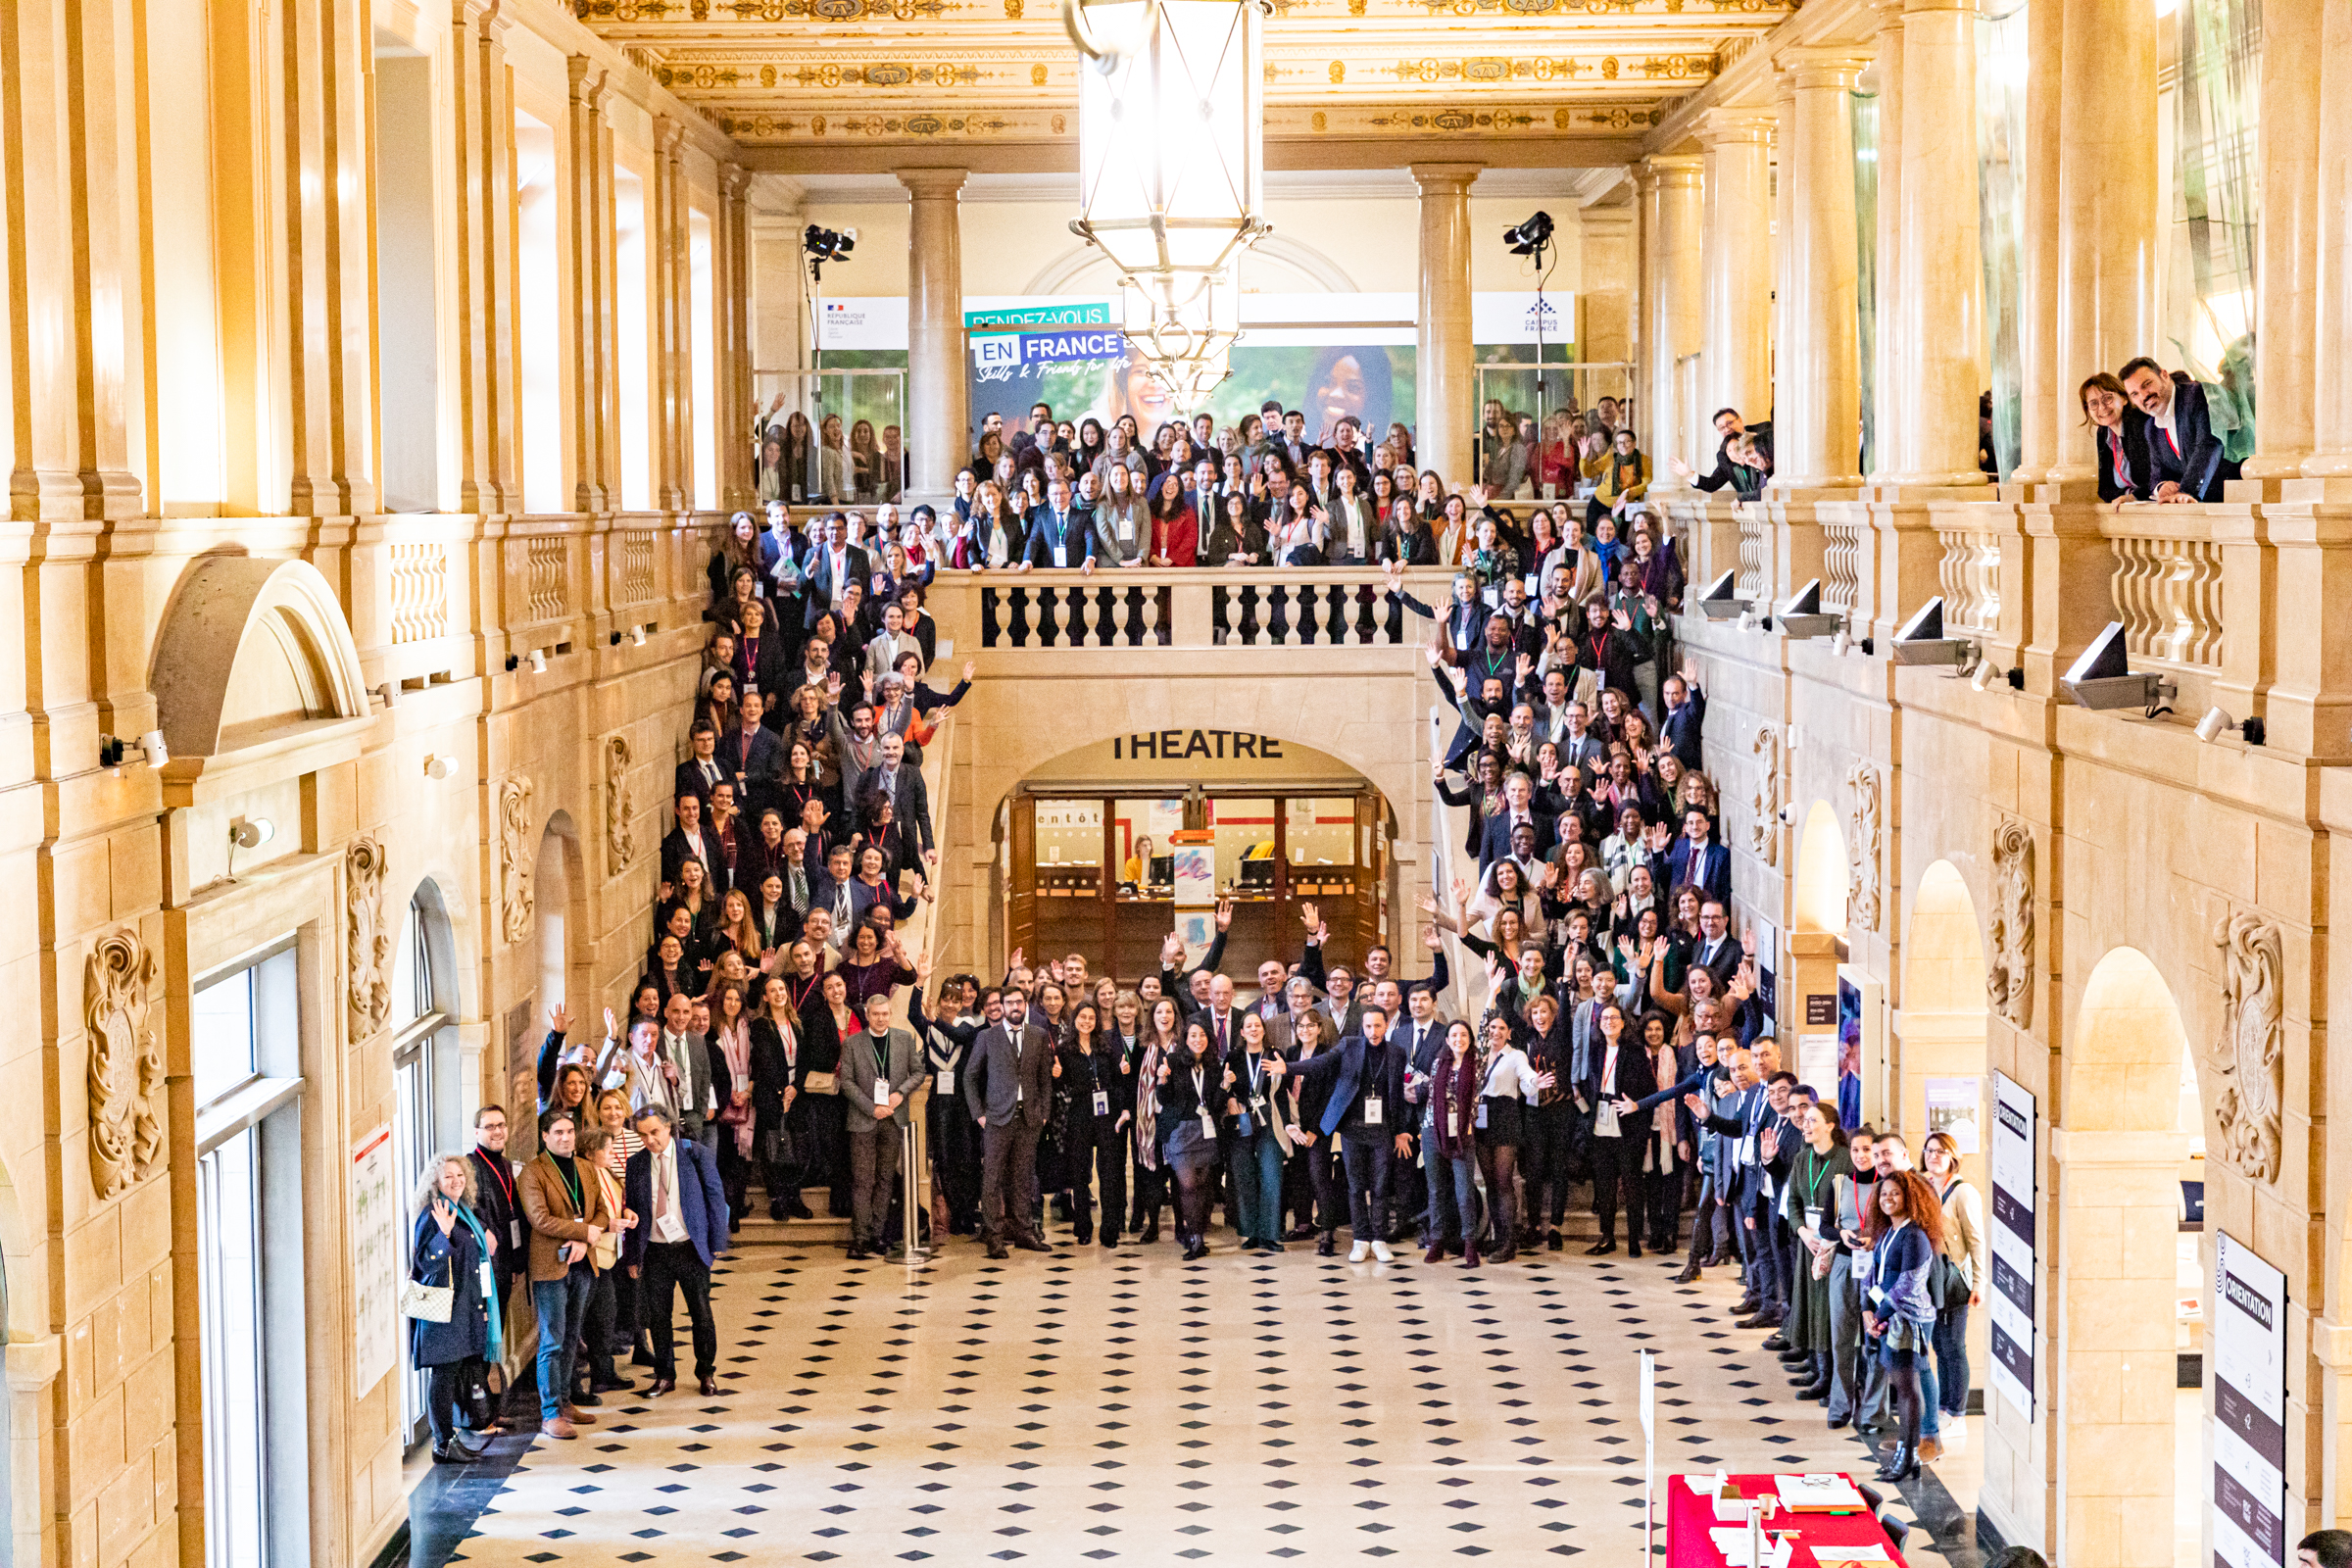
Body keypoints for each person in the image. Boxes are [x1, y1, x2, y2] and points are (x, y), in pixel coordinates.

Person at [517, 1107, 617, 1440]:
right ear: (545, 1137)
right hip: (551, 1265)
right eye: (558, 1133)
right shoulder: (533, 1173)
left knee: (573, 1336)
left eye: (570, 1132)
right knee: (552, 1339)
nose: (565, 1138)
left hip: (583, 1262)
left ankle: (565, 1401)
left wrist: (589, 1232)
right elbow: (540, 1219)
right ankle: (550, 1414)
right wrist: (582, 1234)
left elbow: (602, 1211)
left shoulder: (586, 1168)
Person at [623, 1104, 729, 1397]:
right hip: (655, 1250)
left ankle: (706, 1372)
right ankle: (664, 1374)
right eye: (643, 1135)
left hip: (690, 1247)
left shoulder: (695, 1155)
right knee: (659, 1315)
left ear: (669, 1127)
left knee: (701, 1313)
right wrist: (632, 1257)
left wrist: (717, 1242)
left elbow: (715, 1197)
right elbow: (632, 1213)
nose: (650, 1140)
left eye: (655, 1132)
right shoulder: (637, 1165)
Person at [409, 1153, 503, 1462]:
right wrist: (445, 1234)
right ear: (435, 1181)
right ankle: (442, 1444)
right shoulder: (432, 1214)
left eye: (459, 1175)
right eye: (448, 1176)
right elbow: (425, 1264)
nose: (456, 1180)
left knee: (453, 1373)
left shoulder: (462, 1210)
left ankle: (451, 1438)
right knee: (444, 1375)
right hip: (443, 1314)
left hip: (463, 1310)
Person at [1862, 1168, 1945, 1481]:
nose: (1888, 1199)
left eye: (1895, 1193)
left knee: (1908, 1390)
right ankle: (1905, 1453)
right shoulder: (1887, 1234)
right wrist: (1867, 1310)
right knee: (1903, 1387)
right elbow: (1875, 1275)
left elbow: (1908, 1285)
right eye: (1884, 1194)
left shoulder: (1915, 1236)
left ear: (1909, 1198)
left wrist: (1879, 1317)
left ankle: (1909, 1455)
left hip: (1909, 1321)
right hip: (1888, 1319)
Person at [965, 983, 1056, 1257]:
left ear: (1025, 1005)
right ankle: (993, 1235)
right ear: (1001, 1007)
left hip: (1029, 1118)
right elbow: (970, 1077)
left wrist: (1043, 1114)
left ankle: (1024, 1231)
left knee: (1023, 1178)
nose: (1015, 1007)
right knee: (992, 1179)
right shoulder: (987, 1038)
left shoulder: (1038, 1035)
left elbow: (1044, 1079)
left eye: (1019, 1002)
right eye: (1009, 1003)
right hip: (995, 1118)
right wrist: (979, 1114)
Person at [843, 987, 929, 1259]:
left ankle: (879, 1235)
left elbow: (918, 1072)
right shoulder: (852, 1043)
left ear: (891, 1015)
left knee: (885, 1179)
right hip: (863, 1119)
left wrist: (899, 1093)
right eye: (876, 1014)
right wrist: (872, 1107)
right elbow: (846, 1082)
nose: (881, 1018)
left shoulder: (904, 1039)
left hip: (894, 1117)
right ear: (867, 1015)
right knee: (862, 1180)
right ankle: (860, 1238)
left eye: (885, 1014)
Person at [1923, 1129, 1984, 1444]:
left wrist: (1979, 1283)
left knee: (1954, 1346)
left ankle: (1957, 1414)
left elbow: (1976, 1241)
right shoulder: (1921, 1185)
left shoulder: (1963, 1192)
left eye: (1940, 1152)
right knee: (1939, 1346)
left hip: (1956, 1278)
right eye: (1930, 1150)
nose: (1934, 1156)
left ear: (1952, 1157)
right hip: (1929, 1277)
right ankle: (1944, 1409)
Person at [2119, 356, 2240, 502]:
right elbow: (2157, 474)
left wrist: (2186, 492)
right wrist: (2162, 487)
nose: (2144, 396)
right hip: (2196, 510)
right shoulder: (2150, 428)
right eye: (2135, 394)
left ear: (2164, 375)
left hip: (2231, 501)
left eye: (2147, 384)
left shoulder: (2198, 395)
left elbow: (2209, 445)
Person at [1153, 1018, 1226, 1260]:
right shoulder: (1173, 1061)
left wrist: (1225, 1087)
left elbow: (1216, 1104)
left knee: (1204, 1185)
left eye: (1203, 1035)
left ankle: (1199, 1237)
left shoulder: (1214, 1066)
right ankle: (1193, 1236)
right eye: (1193, 1035)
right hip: (1180, 1131)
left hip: (1206, 1131)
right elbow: (1164, 1100)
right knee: (1187, 1185)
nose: (1198, 1039)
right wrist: (1161, 1080)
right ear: (1185, 1039)